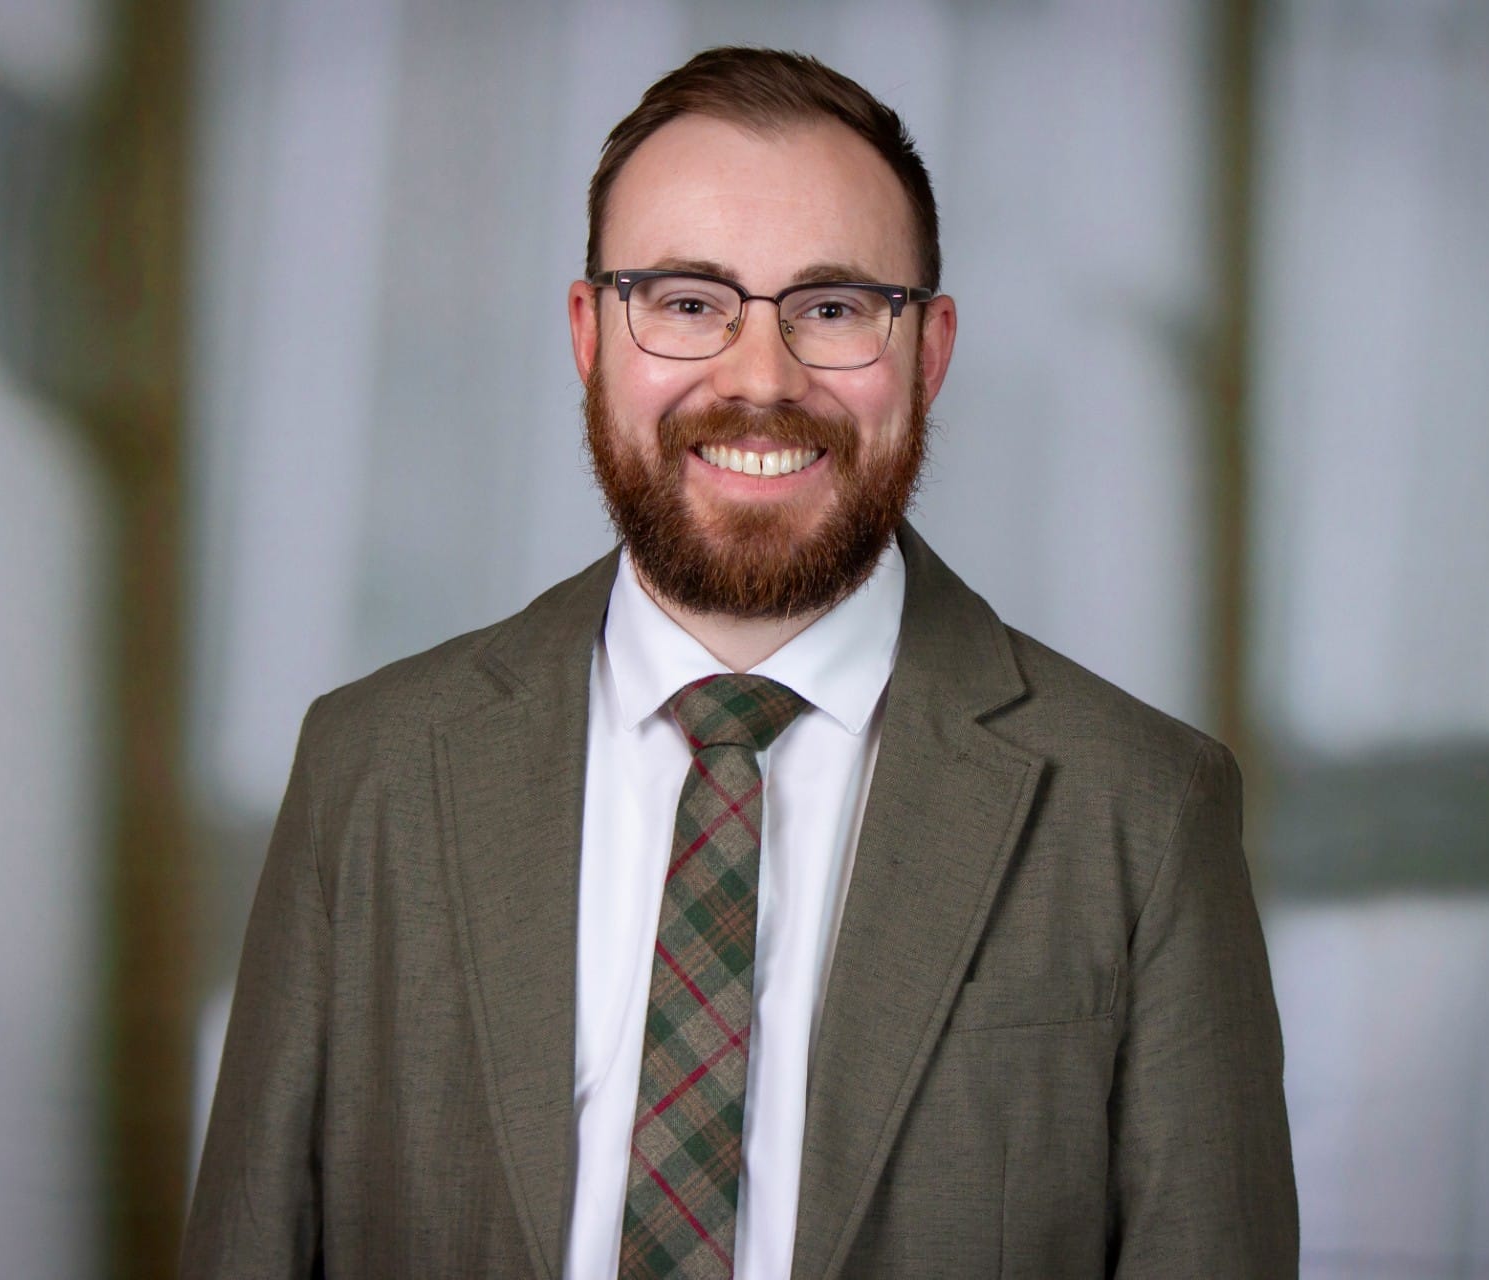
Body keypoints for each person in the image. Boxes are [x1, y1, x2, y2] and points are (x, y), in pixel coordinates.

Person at [182, 46, 1297, 1280]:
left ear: (928, 352)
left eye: (834, 308)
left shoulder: (1142, 809)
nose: (760, 378)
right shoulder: (370, 768)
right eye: (686, 301)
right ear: (589, 335)